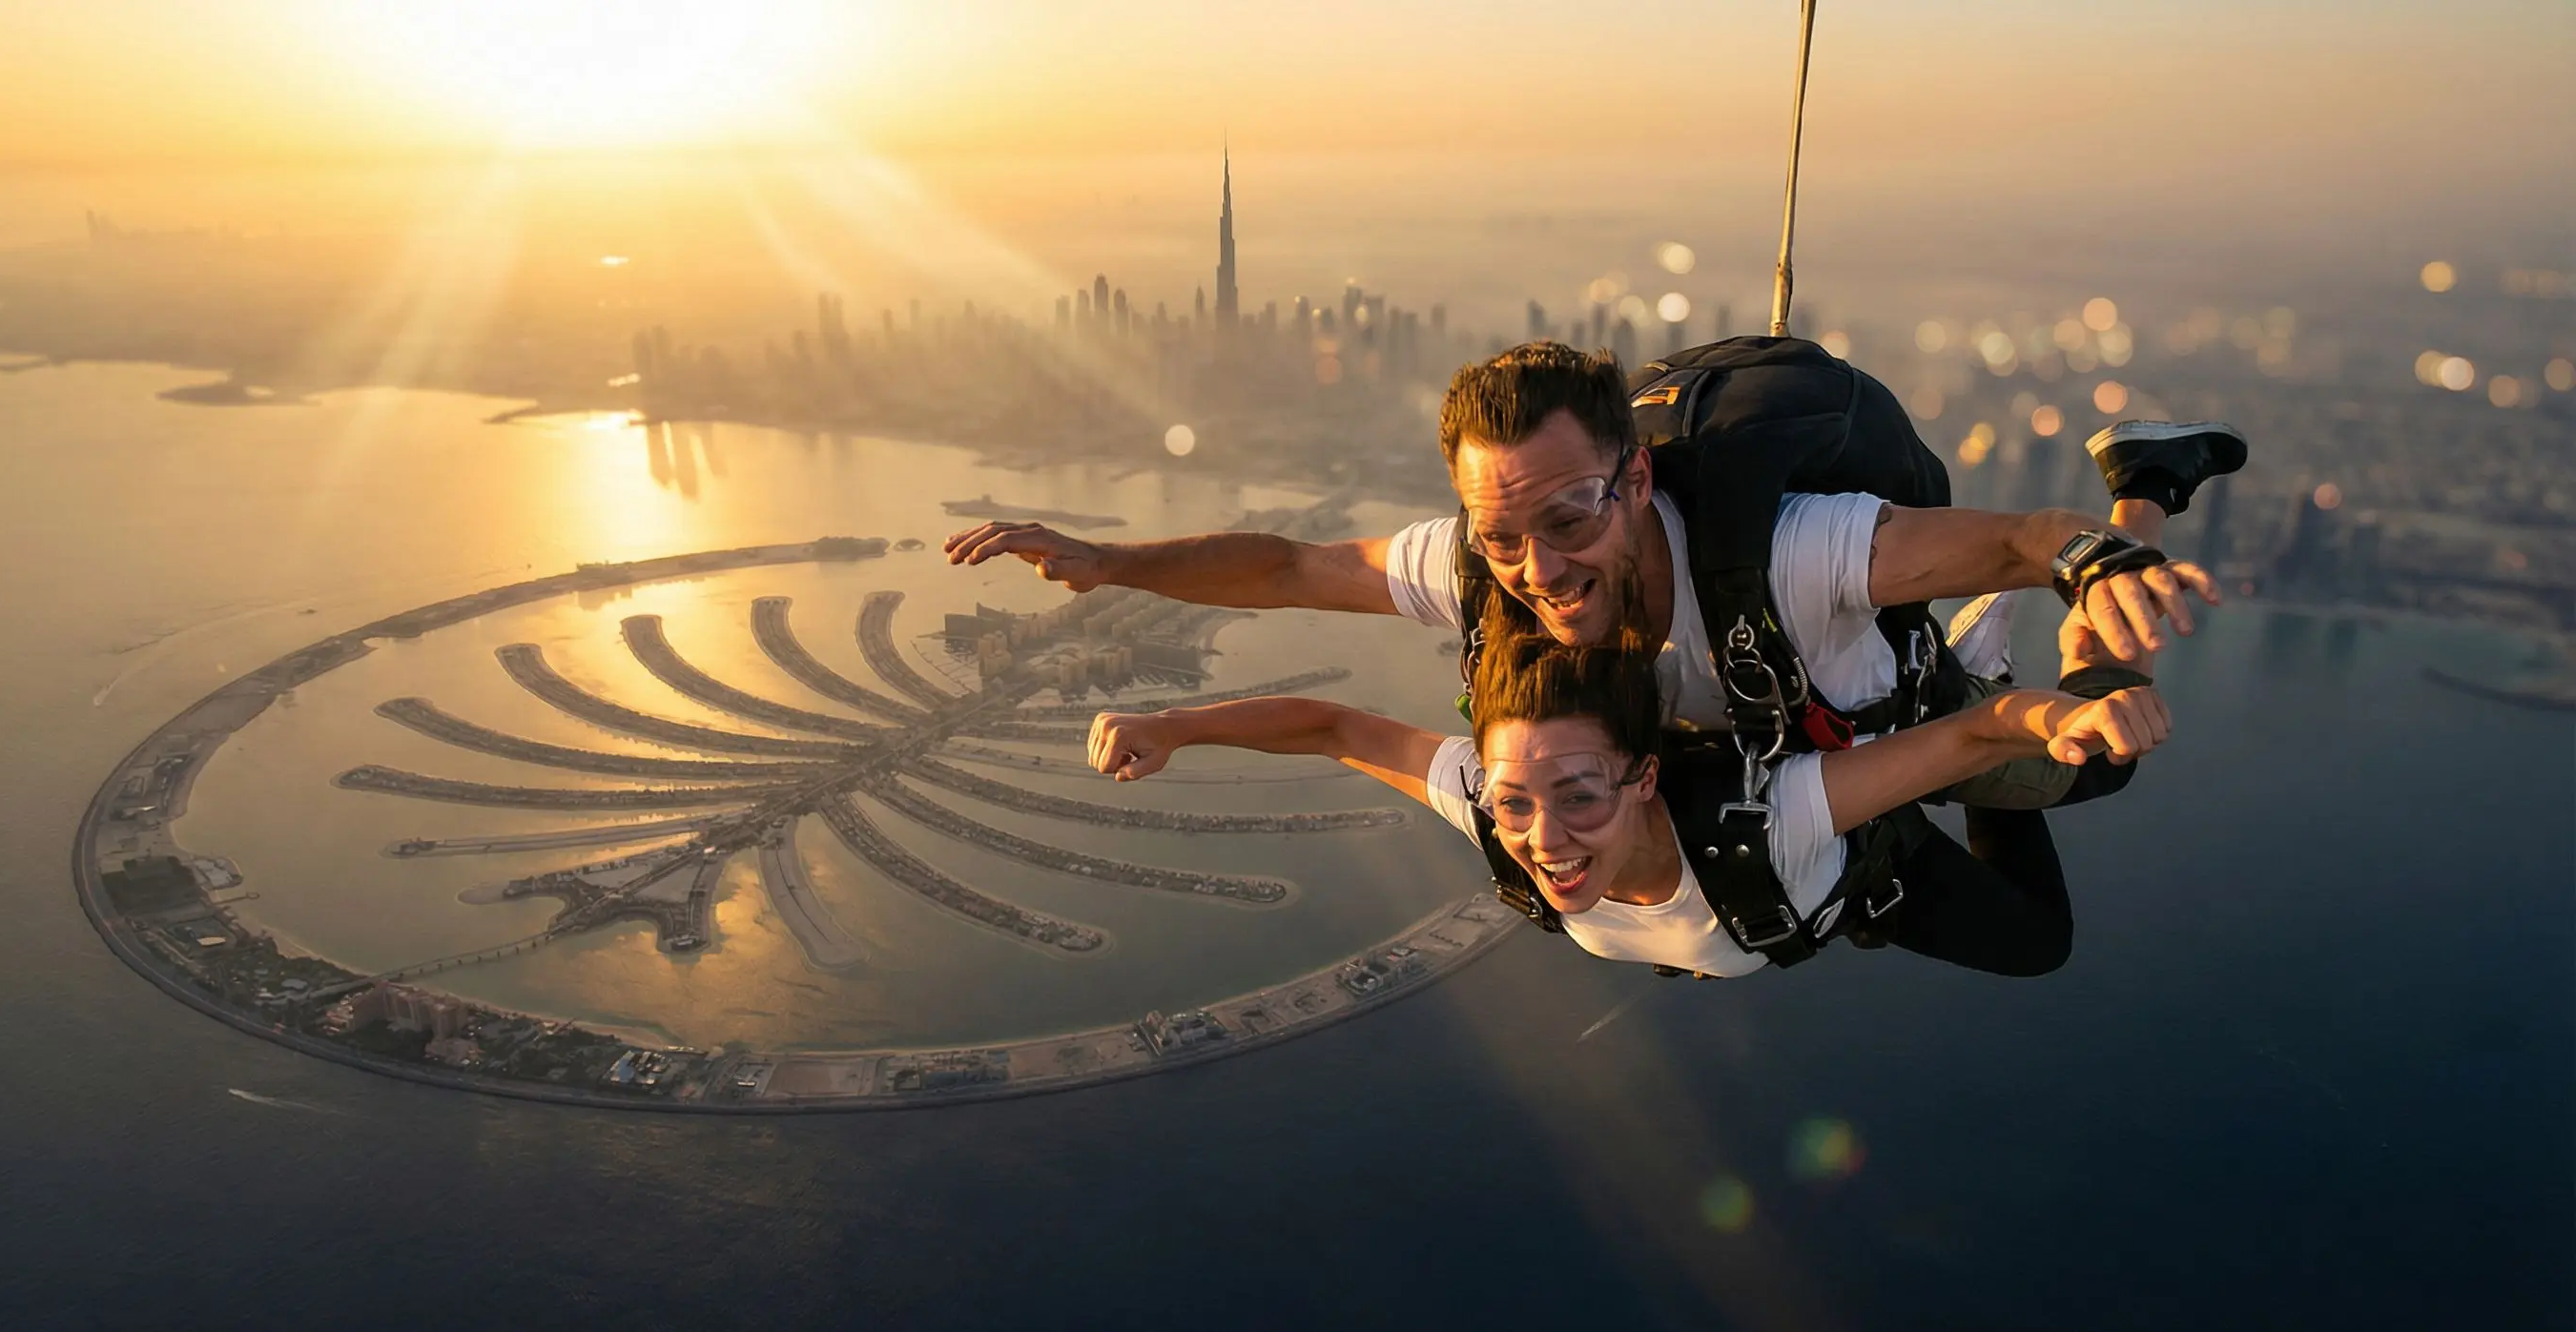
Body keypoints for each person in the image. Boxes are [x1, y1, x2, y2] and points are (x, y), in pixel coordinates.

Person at [947, 340, 2240, 809]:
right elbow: (1289, 565)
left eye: (1565, 518)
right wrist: (1108, 560)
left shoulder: (1794, 547)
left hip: (1883, 702)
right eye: (1499, 534)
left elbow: (2017, 539)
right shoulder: (1486, 563)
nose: (1534, 570)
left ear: (1631, 481)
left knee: (2075, 765)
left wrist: (2097, 547)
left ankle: (2148, 471)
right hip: (1799, 730)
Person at [1084, 628, 2171, 979]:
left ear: (1644, 777)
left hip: (1860, 854)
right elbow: (1333, 728)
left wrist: (2039, 725)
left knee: (2050, 893)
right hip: (1806, 902)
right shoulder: (1499, 806)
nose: (1545, 839)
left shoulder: (1775, 813)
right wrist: (1175, 729)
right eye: (1516, 802)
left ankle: (2121, 517)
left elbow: (1971, 742)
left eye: (1579, 796)